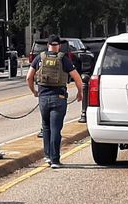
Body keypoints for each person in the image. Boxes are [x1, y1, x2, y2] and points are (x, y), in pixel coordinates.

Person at [26, 35, 84, 168]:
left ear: (48, 45)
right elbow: (77, 78)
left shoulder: (39, 58)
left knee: (46, 127)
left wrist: (34, 91)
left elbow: (29, 77)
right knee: (56, 129)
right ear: (58, 46)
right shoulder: (63, 58)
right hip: (59, 98)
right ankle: (55, 160)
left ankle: (47, 156)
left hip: (43, 98)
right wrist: (80, 92)